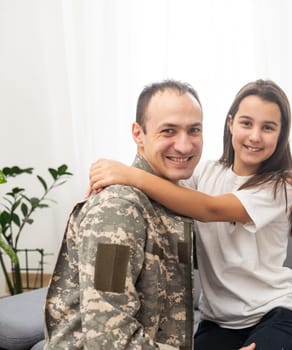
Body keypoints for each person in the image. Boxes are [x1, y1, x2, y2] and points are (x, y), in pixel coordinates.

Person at [89, 79, 292, 350]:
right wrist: (112, 179)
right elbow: (166, 185)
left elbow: (209, 209)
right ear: (230, 124)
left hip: (277, 313)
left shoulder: (280, 188)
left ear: (281, 134)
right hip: (218, 322)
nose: (255, 136)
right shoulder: (205, 173)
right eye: (246, 123)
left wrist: (129, 174)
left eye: (268, 127)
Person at [45, 79, 255, 350]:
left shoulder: (172, 201)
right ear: (138, 133)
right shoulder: (118, 210)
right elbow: (110, 341)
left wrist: (285, 181)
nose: (184, 146)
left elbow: (216, 204)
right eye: (168, 131)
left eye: (194, 130)